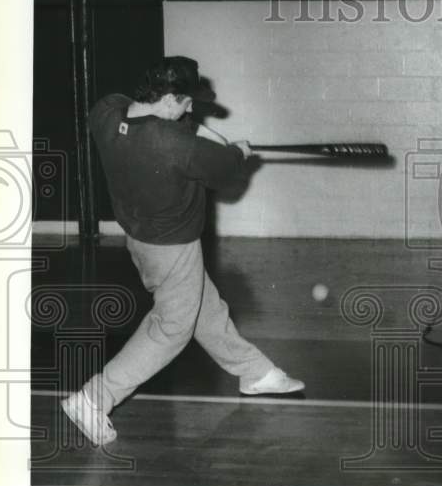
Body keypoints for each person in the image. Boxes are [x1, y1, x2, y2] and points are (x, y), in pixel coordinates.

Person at [61, 56, 304, 447]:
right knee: (172, 328)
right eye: (188, 101)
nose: (192, 108)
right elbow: (226, 172)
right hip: (173, 248)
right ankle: (94, 398)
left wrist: (208, 138)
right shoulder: (176, 145)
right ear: (171, 98)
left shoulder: (106, 113)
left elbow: (154, 121)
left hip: (141, 240)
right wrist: (237, 152)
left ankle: (255, 372)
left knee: (204, 309)